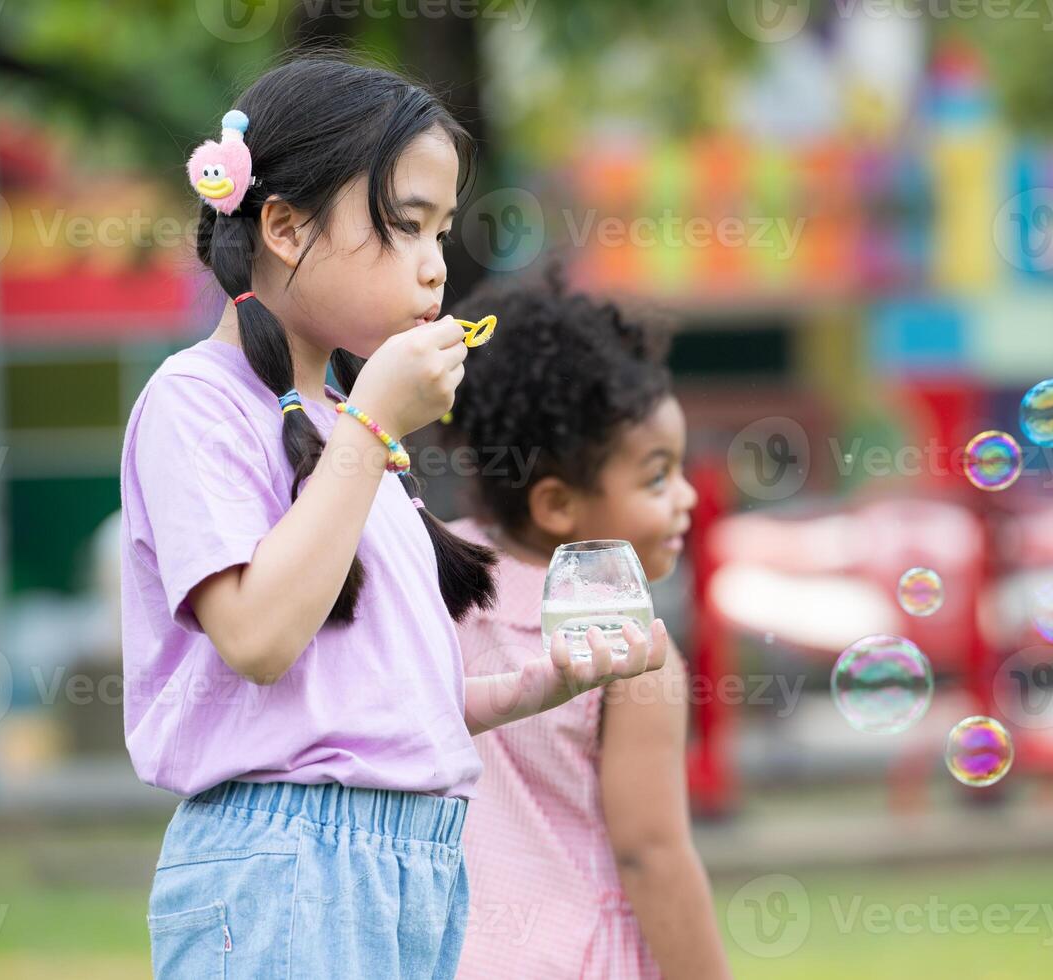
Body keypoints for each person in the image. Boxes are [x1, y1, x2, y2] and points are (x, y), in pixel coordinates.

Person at [119, 56, 668, 979]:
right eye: (407, 226)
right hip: (287, 864)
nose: (435, 266)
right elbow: (258, 637)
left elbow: (371, 705)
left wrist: (540, 685)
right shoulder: (198, 403)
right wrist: (373, 424)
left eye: (443, 232)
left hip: (414, 858)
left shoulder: (347, 425)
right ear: (285, 227)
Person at [446, 267, 731, 978]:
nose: (687, 497)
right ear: (557, 506)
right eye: (657, 476)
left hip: (438, 952)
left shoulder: (426, 578)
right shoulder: (633, 647)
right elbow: (652, 853)